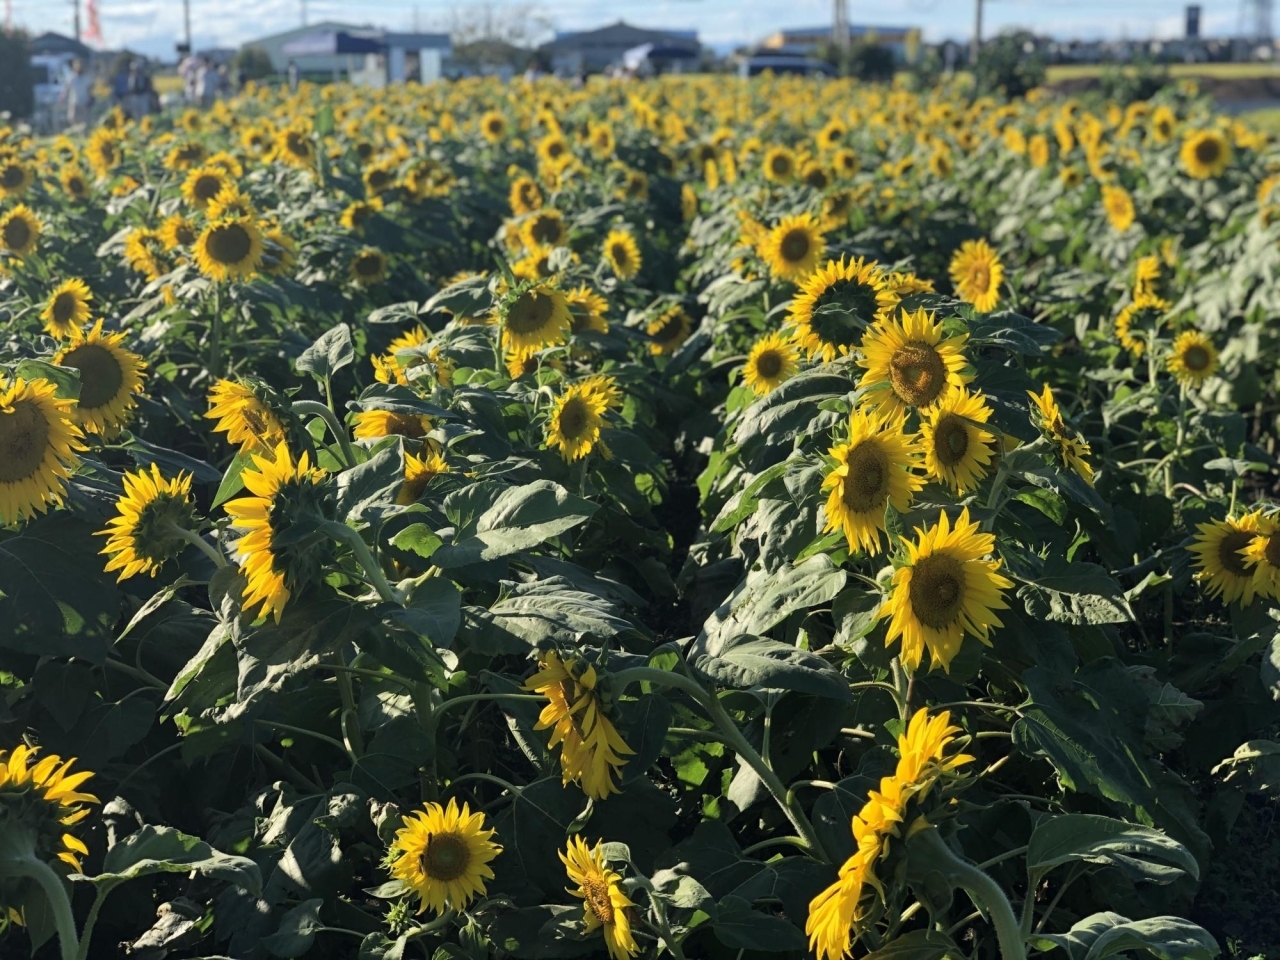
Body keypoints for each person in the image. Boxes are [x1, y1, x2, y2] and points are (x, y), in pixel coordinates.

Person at [60, 59, 94, 127]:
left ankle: (82, 133)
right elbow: (67, 88)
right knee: (72, 118)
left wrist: (91, 98)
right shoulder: (71, 77)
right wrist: (63, 97)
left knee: (83, 119)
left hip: (84, 101)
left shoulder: (86, 78)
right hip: (74, 101)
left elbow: (90, 89)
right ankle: (77, 130)